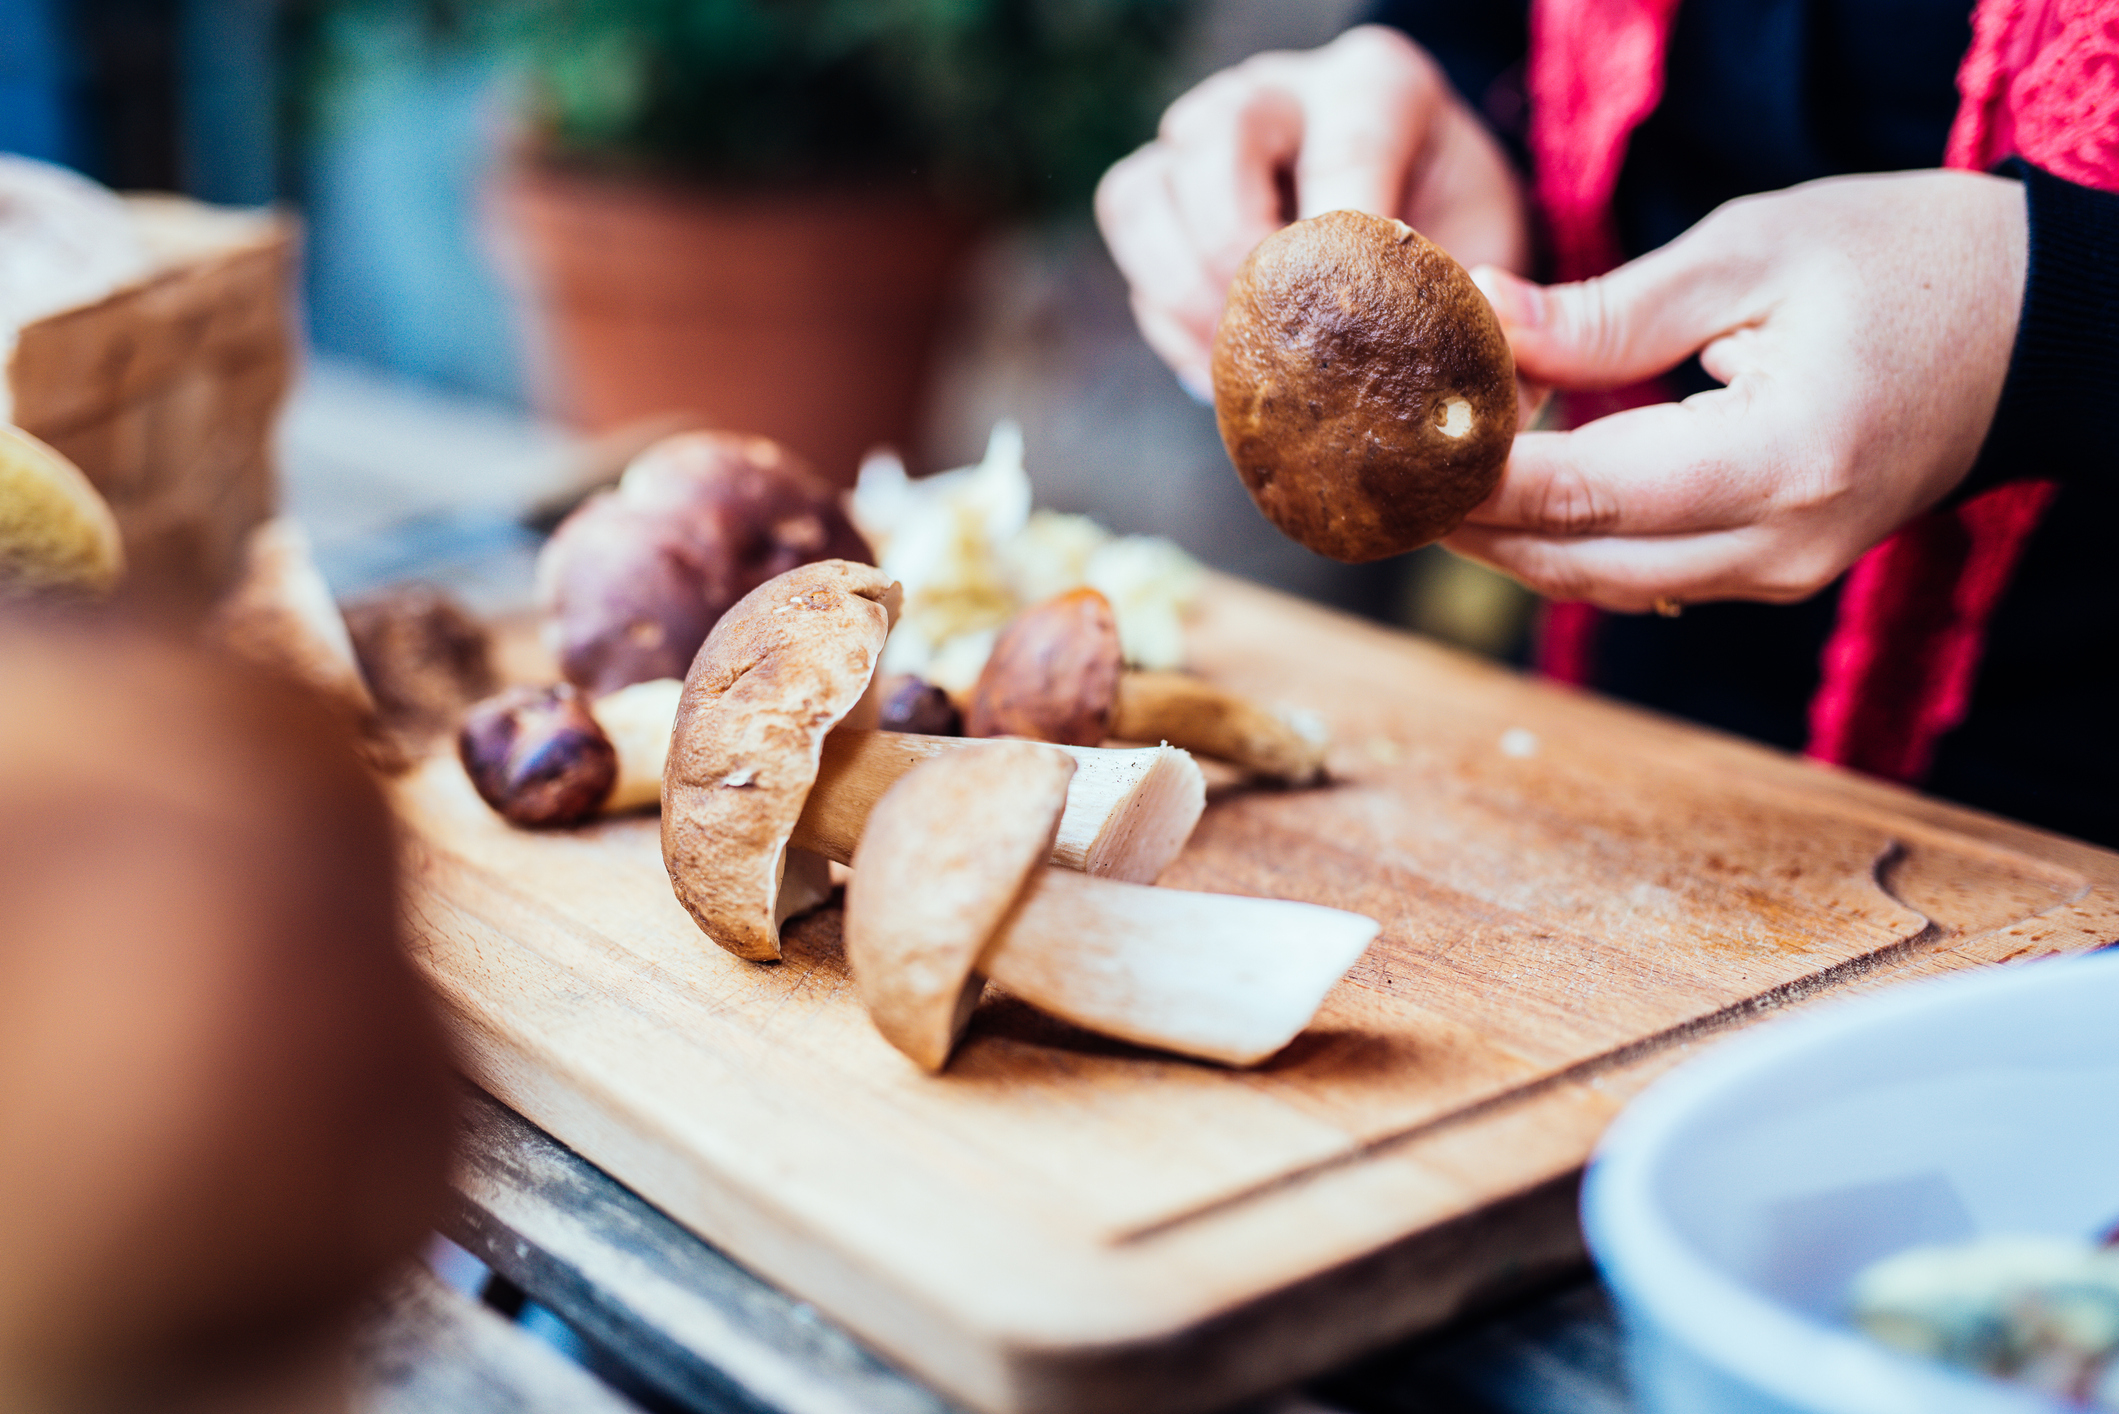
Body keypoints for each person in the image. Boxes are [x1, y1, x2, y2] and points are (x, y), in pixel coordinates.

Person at [1095, 1, 2119, 846]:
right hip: (1625, 729)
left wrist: (2054, 313)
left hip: (2066, 782)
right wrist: (1448, 101)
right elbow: (1494, 30)